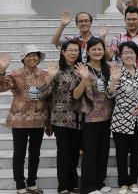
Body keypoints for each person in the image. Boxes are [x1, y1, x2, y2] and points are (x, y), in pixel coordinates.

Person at [0, 46, 50, 194]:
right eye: (28, 56)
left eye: (35, 55)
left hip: (39, 119)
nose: (32, 58)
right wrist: (2, 70)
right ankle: (20, 185)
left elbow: (49, 97)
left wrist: (49, 121)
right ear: (23, 59)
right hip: (19, 119)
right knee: (19, 153)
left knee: (35, 153)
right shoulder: (14, 74)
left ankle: (32, 183)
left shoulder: (46, 75)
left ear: (39, 58)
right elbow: (1, 87)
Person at [39, 40, 82, 194]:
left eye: (76, 50)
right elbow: (42, 94)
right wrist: (49, 77)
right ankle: (63, 185)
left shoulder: (81, 69)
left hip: (78, 118)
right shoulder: (56, 70)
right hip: (60, 117)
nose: (73, 53)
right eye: (70, 50)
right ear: (63, 52)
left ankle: (73, 183)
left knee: (75, 152)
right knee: (64, 152)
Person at [73, 38, 113, 194]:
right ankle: (88, 187)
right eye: (94, 49)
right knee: (90, 152)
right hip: (89, 117)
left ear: (104, 51)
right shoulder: (82, 68)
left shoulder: (107, 68)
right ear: (87, 51)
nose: (97, 52)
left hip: (107, 116)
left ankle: (99, 183)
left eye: (100, 49)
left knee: (103, 150)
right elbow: (76, 95)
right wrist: (84, 79)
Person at [107, 41, 138, 194]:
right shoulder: (117, 72)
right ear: (121, 55)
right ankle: (123, 183)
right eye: (125, 53)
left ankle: (134, 181)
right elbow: (109, 94)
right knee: (121, 154)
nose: (129, 55)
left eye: (131, 52)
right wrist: (115, 80)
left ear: (136, 55)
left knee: (137, 154)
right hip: (121, 120)